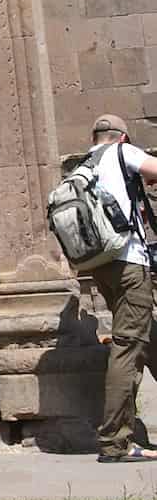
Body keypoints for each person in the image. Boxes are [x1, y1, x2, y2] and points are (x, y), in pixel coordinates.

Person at [87, 113, 157, 462]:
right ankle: (115, 443)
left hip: (103, 267)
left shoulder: (86, 164)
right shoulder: (123, 153)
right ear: (122, 136)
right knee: (128, 345)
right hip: (130, 262)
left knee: (147, 336)